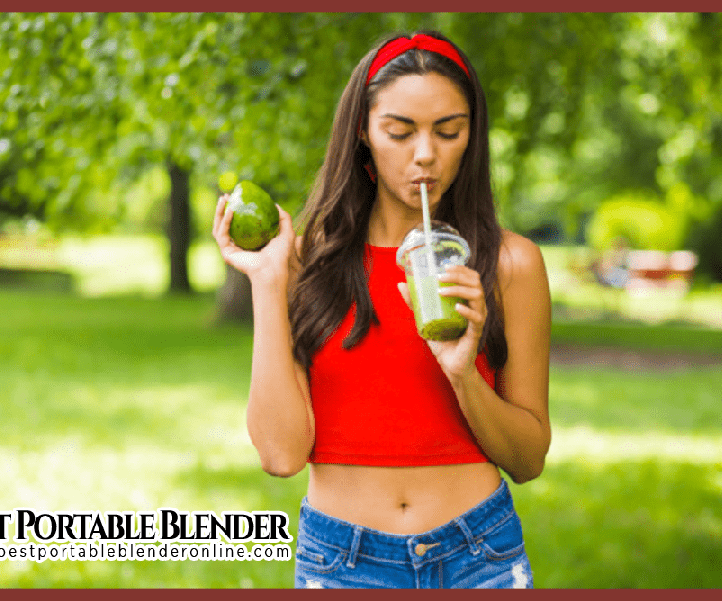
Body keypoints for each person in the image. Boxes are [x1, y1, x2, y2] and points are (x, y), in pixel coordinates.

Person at [212, 30, 551, 589]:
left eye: (449, 131)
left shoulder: (511, 264)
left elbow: (528, 458)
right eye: (399, 131)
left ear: (472, 136)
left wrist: (463, 374)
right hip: (341, 564)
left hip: (479, 559)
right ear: (364, 135)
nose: (426, 154)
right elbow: (280, 454)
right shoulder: (305, 258)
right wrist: (269, 284)